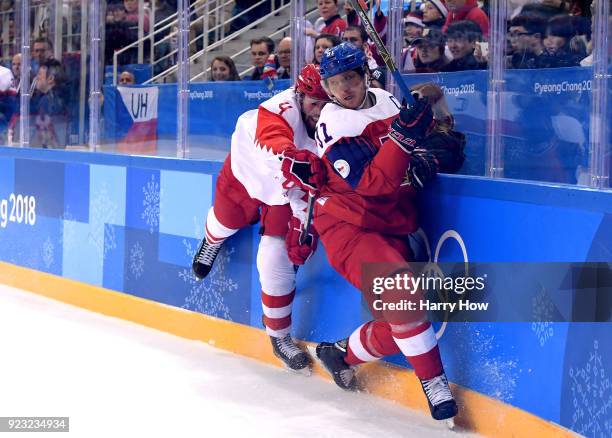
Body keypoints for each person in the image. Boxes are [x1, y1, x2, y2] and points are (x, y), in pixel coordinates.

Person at [306, 42, 464, 423]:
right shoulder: (333, 124)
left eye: (350, 78)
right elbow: (373, 184)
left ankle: (340, 355)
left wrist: (430, 144)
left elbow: (418, 153)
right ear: (325, 88)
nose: (343, 88)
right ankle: (434, 383)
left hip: (393, 223)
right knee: (402, 293)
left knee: (404, 315)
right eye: (334, 82)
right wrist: (405, 139)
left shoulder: (387, 102)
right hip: (350, 226)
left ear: (365, 76)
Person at [191, 65, 330, 373]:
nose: (319, 112)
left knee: (275, 256)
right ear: (299, 96)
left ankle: (278, 337)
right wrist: (291, 158)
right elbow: (272, 138)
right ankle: (211, 242)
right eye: (313, 103)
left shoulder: (336, 119)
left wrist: (304, 223)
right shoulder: (278, 109)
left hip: (289, 190)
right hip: (248, 172)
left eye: (325, 103)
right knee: (226, 221)